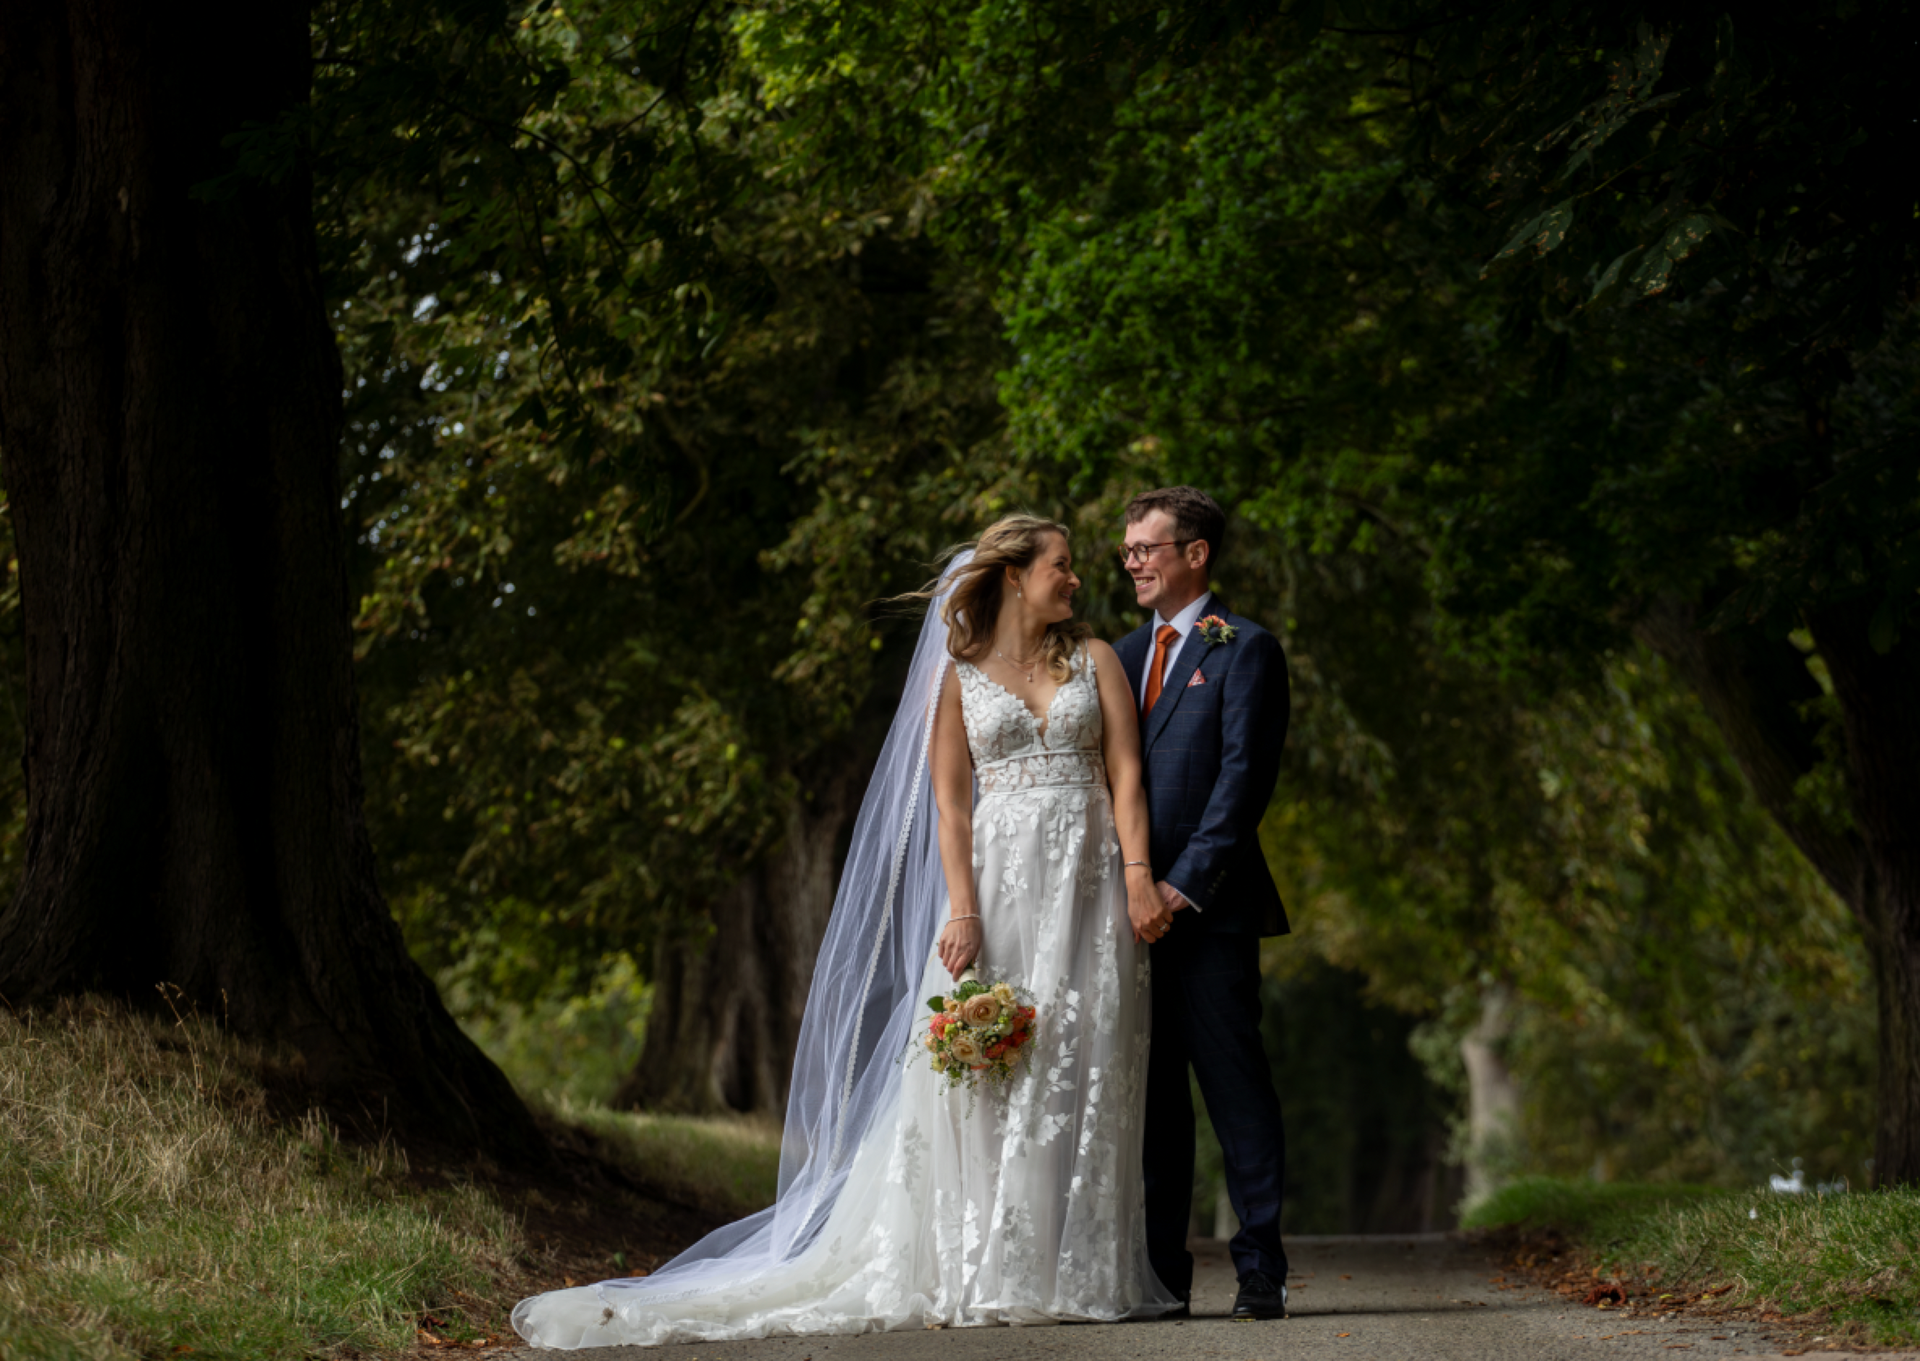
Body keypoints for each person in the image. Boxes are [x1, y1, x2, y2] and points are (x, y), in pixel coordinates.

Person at [511, 514, 1179, 1347]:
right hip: (1000, 890)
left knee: (1082, 1060)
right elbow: (951, 803)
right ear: (1013, 574)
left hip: (1086, 887)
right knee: (989, 1068)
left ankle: (1074, 1266)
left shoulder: (1096, 660)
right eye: (1062, 565)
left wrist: (1137, 874)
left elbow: (1125, 773)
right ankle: (987, 1263)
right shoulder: (960, 675)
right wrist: (962, 906)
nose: (1076, 578)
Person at [1112, 486, 1292, 1322]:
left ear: (1196, 554)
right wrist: (1128, 888)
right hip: (1126, 917)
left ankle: (1261, 1267)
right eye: (1128, 549)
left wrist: (1179, 887)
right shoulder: (1113, 657)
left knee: (1235, 1086)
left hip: (1208, 913)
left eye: (1148, 546)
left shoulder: (1246, 649)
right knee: (1152, 1105)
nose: (1133, 561)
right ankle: (1162, 1274)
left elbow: (1241, 784)